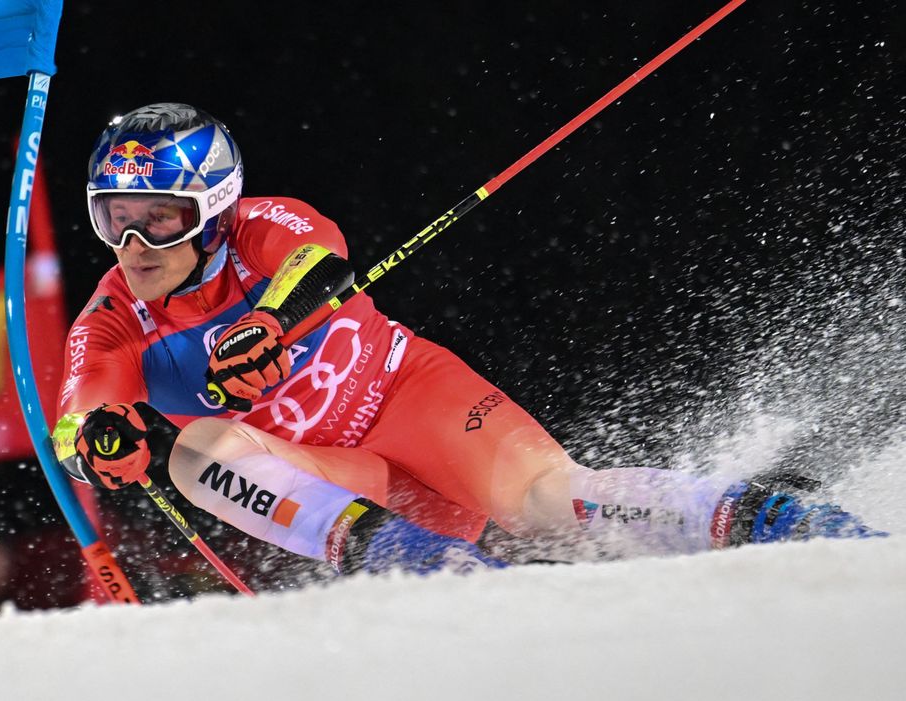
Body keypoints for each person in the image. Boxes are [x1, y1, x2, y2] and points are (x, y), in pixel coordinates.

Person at [51, 102, 884, 577]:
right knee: (196, 453)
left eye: (161, 217)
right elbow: (80, 420)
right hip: (349, 481)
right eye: (115, 218)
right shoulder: (111, 319)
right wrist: (103, 444)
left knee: (552, 504)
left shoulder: (263, 224)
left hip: (414, 399)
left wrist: (268, 321)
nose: (136, 244)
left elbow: (318, 260)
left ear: (214, 209)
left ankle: (775, 518)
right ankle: (416, 563)